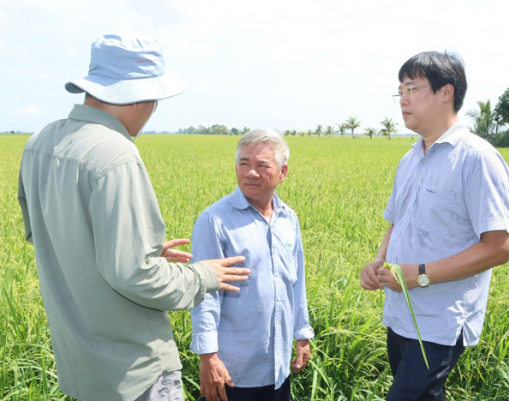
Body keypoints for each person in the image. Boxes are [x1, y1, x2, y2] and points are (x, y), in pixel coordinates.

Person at [17, 32, 250, 401]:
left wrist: (137, 251)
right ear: (144, 97)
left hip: (81, 367)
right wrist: (202, 275)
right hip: (133, 369)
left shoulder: (40, 143)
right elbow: (134, 276)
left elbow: (54, 239)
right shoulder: (115, 154)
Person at [360, 51, 509, 400]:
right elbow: (398, 220)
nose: (403, 99)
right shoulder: (411, 157)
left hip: (440, 321)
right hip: (400, 313)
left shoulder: (477, 158)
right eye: (400, 90)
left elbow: (499, 247)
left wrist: (422, 274)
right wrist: (378, 260)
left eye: (413, 88)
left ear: (447, 93)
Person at [189, 129, 314, 401]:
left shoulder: (287, 219)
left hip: (278, 368)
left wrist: (302, 334)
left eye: (261, 165)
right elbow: (204, 295)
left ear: (282, 172)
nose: (250, 173)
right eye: (244, 163)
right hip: (233, 373)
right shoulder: (214, 221)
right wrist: (208, 357)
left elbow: (296, 281)